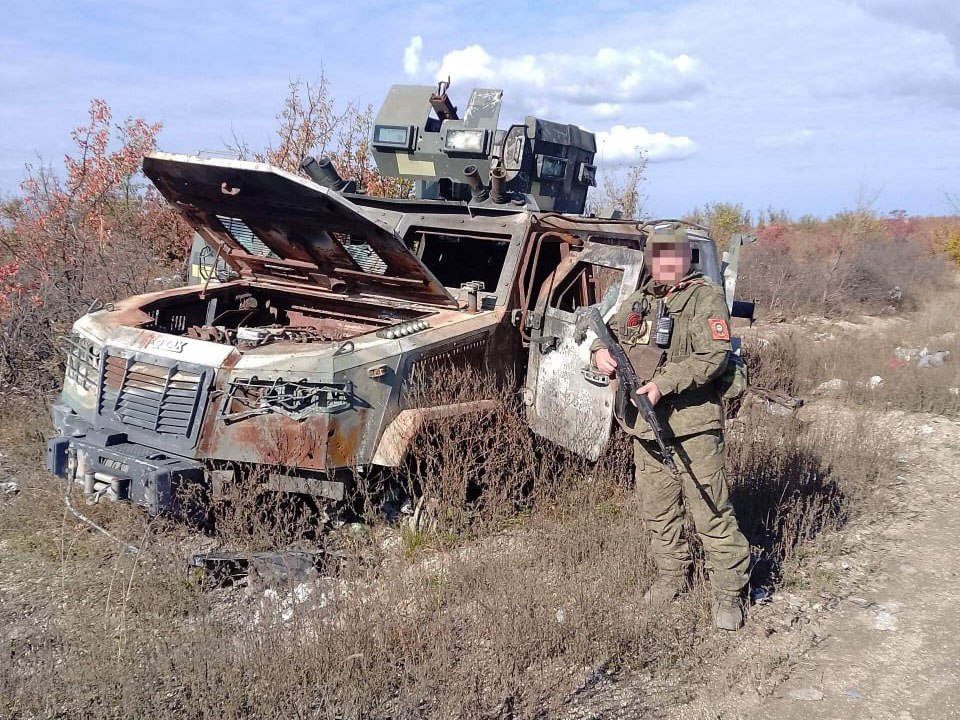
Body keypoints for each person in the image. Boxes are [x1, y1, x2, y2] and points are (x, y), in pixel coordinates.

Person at [591, 224, 750, 631]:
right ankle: (671, 578)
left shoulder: (704, 298)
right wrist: (599, 356)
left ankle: (729, 594)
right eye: (656, 254)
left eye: (672, 255)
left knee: (709, 509)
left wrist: (663, 384)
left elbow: (712, 357)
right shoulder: (640, 299)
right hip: (646, 426)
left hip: (692, 424)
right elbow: (608, 335)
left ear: (685, 258)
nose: (663, 262)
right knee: (658, 510)